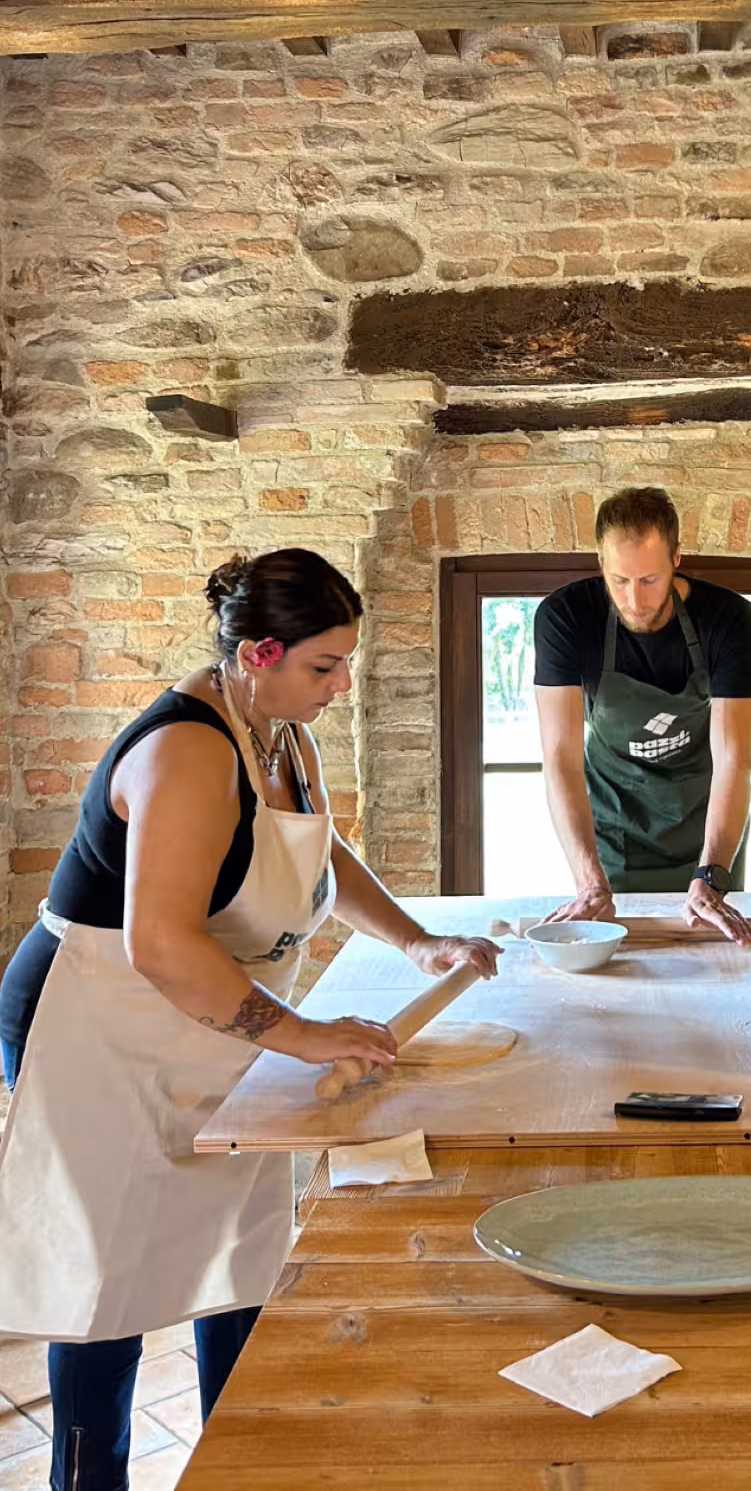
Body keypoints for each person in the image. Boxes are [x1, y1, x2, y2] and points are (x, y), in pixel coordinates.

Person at [0, 548, 499, 1491]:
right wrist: (301, 1035)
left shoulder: (280, 732)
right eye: (325, 666)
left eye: (346, 663)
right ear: (258, 654)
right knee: (107, 1276)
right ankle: (88, 1477)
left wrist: (418, 942)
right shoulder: (188, 750)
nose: (341, 686)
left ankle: (243, 1461)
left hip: (214, 1015)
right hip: (97, 1017)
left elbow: (319, 853)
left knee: (240, 1244)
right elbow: (160, 943)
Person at [533, 486, 751, 942]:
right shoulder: (564, 617)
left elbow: (733, 758)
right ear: (600, 562)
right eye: (619, 580)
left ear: (677, 559)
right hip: (615, 826)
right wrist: (589, 880)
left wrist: (712, 872)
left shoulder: (728, 618)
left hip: (704, 821)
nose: (634, 599)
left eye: (650, 580)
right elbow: (561, 759)